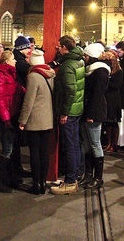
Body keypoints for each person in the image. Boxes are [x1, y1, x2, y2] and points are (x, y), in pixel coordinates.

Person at [50, 35, 85, 195]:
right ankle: (76, 174)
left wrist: (64, 112)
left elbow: (70, 90)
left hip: (69, 111)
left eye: (59, 46)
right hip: (77, 109)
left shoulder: (67, 65)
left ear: (65, 47)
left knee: (69, 146)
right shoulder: (79, 61)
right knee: (75, 144)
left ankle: (70, 182)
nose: (58, 49)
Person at [19, 49, 55, 195]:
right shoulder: (51, 73)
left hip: (35, 119)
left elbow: (29, 101)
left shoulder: (33, 76)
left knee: (34, 152)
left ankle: (37, 183)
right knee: (44, 151)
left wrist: (22, 120)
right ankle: (43, 182)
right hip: (48, 117)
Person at [0, 50, 25, 193]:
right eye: (13, 59)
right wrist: (6, 120)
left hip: (11, 114)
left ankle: (9, 177)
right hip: (5, 116)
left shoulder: (10, 73)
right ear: (6, 61)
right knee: (7, 148)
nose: (15, 61)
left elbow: (17, 90)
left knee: (10, 146)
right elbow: (0, 100)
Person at [79, 43, 111, 190]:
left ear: (91, 56)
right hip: (89, 111)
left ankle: (98, 177)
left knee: (95, 144)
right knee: (87, 144)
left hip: (94, 112)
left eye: (86, 55)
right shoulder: (92, 70)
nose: (84, 58)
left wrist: (91, 114)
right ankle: (88, 175)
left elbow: (97, 94)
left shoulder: (100, 71)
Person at [12, 36, 32, 177]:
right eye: (27, 48)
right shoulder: (20, 62)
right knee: (15, 140)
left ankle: (16, 168)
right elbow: (31, 70)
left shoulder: (19, 59)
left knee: (16, 141)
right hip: (16, 103)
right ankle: (15, 170)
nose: (30, 50)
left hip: (17, 101)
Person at [101, 50, 123, 153]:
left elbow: (117, 85)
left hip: (114, 98)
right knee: (108, 123)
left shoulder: (119, 71)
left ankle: (114, 144)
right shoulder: (108, 70)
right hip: (108, 97)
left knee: (114, 122)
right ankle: (109, 143)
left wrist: (107, 83)